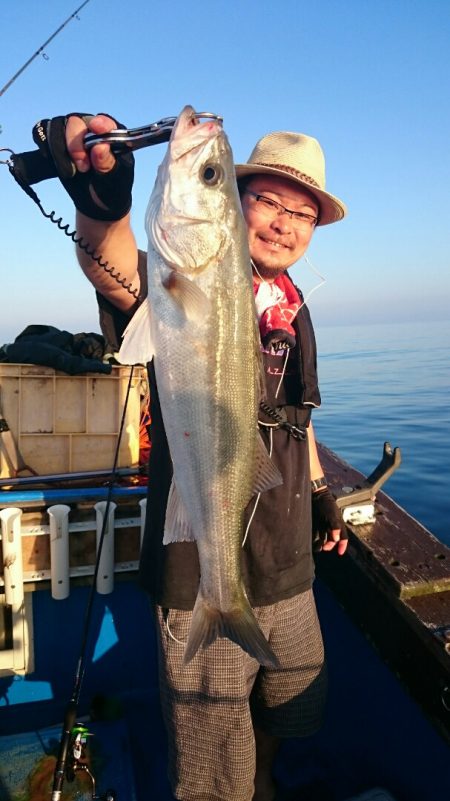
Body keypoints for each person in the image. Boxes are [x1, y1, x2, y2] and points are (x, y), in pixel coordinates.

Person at [46, 112, 348, 801]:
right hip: (201, 565)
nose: (283, 221)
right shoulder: (185, 277)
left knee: (288, 707)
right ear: (238, 207)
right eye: (268, 199)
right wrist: (101, 206)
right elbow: (116, 261)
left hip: (287, 565)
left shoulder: (292, 310)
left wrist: (324, 497)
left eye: (302, 212)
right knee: (214, 762)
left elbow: (297, 425)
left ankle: (264, 780)